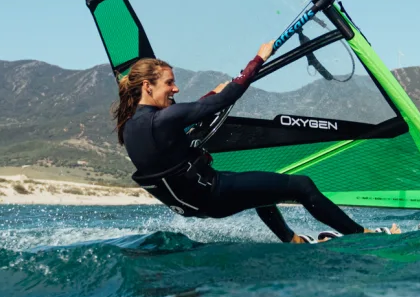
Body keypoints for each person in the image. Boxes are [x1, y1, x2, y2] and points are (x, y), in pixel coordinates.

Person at [115, 47, 372, 243]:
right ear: (147, 86)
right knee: (302, 185)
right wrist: (259, 58)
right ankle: (361, 236)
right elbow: (224, 99)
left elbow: (180, 124)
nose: (176, 89)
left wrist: (211, 96)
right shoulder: (164, 119)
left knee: (259, 190)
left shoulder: (129, 128)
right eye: (169, 83)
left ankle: (291, 239)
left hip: (190, 204)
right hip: (213, 194)